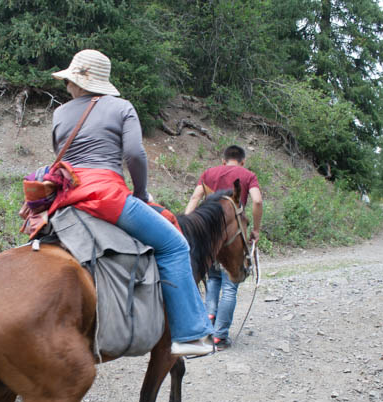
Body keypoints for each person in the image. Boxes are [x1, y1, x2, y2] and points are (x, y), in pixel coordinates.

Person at [49, 49, 213, 357]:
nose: (67, 86)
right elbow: (135, 154)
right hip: (107, 197)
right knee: (175, 245)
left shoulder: (60, 113)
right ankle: (191, 334)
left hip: (65, 199)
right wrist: (139, 192)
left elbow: (64, 157)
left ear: (78, 82)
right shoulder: (121, 107)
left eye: (69, 80)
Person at [185, 145, 263, 350]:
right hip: (232, 237)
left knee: (213, 280)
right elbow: (257, 200)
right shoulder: (248, 175)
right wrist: (255, 229)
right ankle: (219, 337)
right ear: (243, 161)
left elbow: (195, 198)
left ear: (223, 160)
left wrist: (186, 224)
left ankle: (208, 323)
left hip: (210, 238)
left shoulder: (209, 173)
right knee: (230, 286)